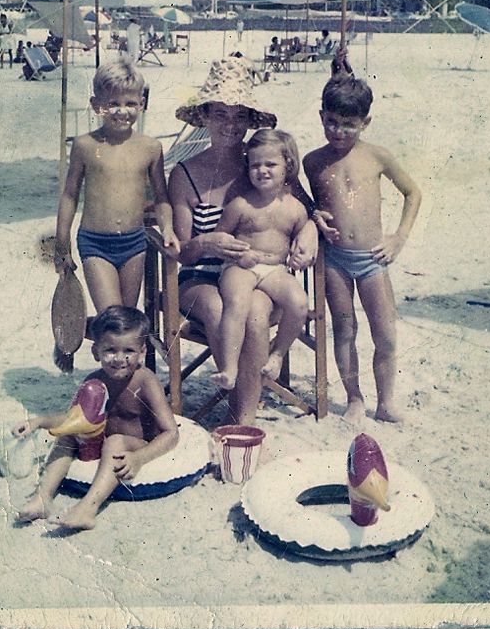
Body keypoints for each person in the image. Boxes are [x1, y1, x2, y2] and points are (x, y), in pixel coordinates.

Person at [168, 57, 317, 424]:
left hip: (261, 275)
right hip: (200, 277)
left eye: (239, 115)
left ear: (251, 120)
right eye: (220, 114)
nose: (230, 124)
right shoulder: (186, 173)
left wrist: (310, 230)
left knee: (254, 310)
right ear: (204, 116)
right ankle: (241, 397)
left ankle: (242, 418)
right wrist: (207, 243)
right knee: (220, 307)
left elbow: (306, 210)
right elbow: (184, 253)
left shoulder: (265, 166)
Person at [303, 78, 421, 424]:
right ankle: (354, 398)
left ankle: (385, 402)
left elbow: (413, 193)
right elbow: (299, 194)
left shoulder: (377, 156)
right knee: (344, 330)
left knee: (385, 335)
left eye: (349, 125)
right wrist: (313, 212)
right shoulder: (313, 161)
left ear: (365, 122)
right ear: (321, 116)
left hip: (372, 259)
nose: (338, 131)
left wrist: (398, 237)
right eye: (331, 122)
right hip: (334, 260)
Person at [54, 58, 179, 371]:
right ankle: (72, 338)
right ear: (96, 104)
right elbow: (69, 195)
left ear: (142, 104)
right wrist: (61, 243)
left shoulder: (151, 147)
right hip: (95, 242)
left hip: (134, 242)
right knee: (113, 318)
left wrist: (168, 229)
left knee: (123, 320)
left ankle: (73, 330)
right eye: (113, 104)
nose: (122, 111)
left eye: (130, 103)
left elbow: (162, 198)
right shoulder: (84, 145)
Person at [12, 307, 179, 531]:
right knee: (69, 434)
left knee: (116, 441)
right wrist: (38, 422)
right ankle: (43, 497)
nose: (119, 359)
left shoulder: (145, 381)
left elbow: (171, 433)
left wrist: (139, 457)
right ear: (95, 352)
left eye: (128, 351)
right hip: (102, 442)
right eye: (110, 350)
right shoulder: (94, 382)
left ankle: (88, 508)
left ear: (142, 353)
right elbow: (74, 419)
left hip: (135, 445)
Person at [213, 129, 309, 389]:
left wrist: (301, 255)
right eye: (255, 165)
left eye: (270, 164)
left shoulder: (296, 209)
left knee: (299, 303)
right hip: (240, 266)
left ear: (288, 165)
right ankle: (229, 367)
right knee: (237, 302)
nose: (262, 171)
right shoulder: (241, 205)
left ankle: (277, 354)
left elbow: (304, 234)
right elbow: (220, 237)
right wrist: (240, 253)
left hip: (275, 270)